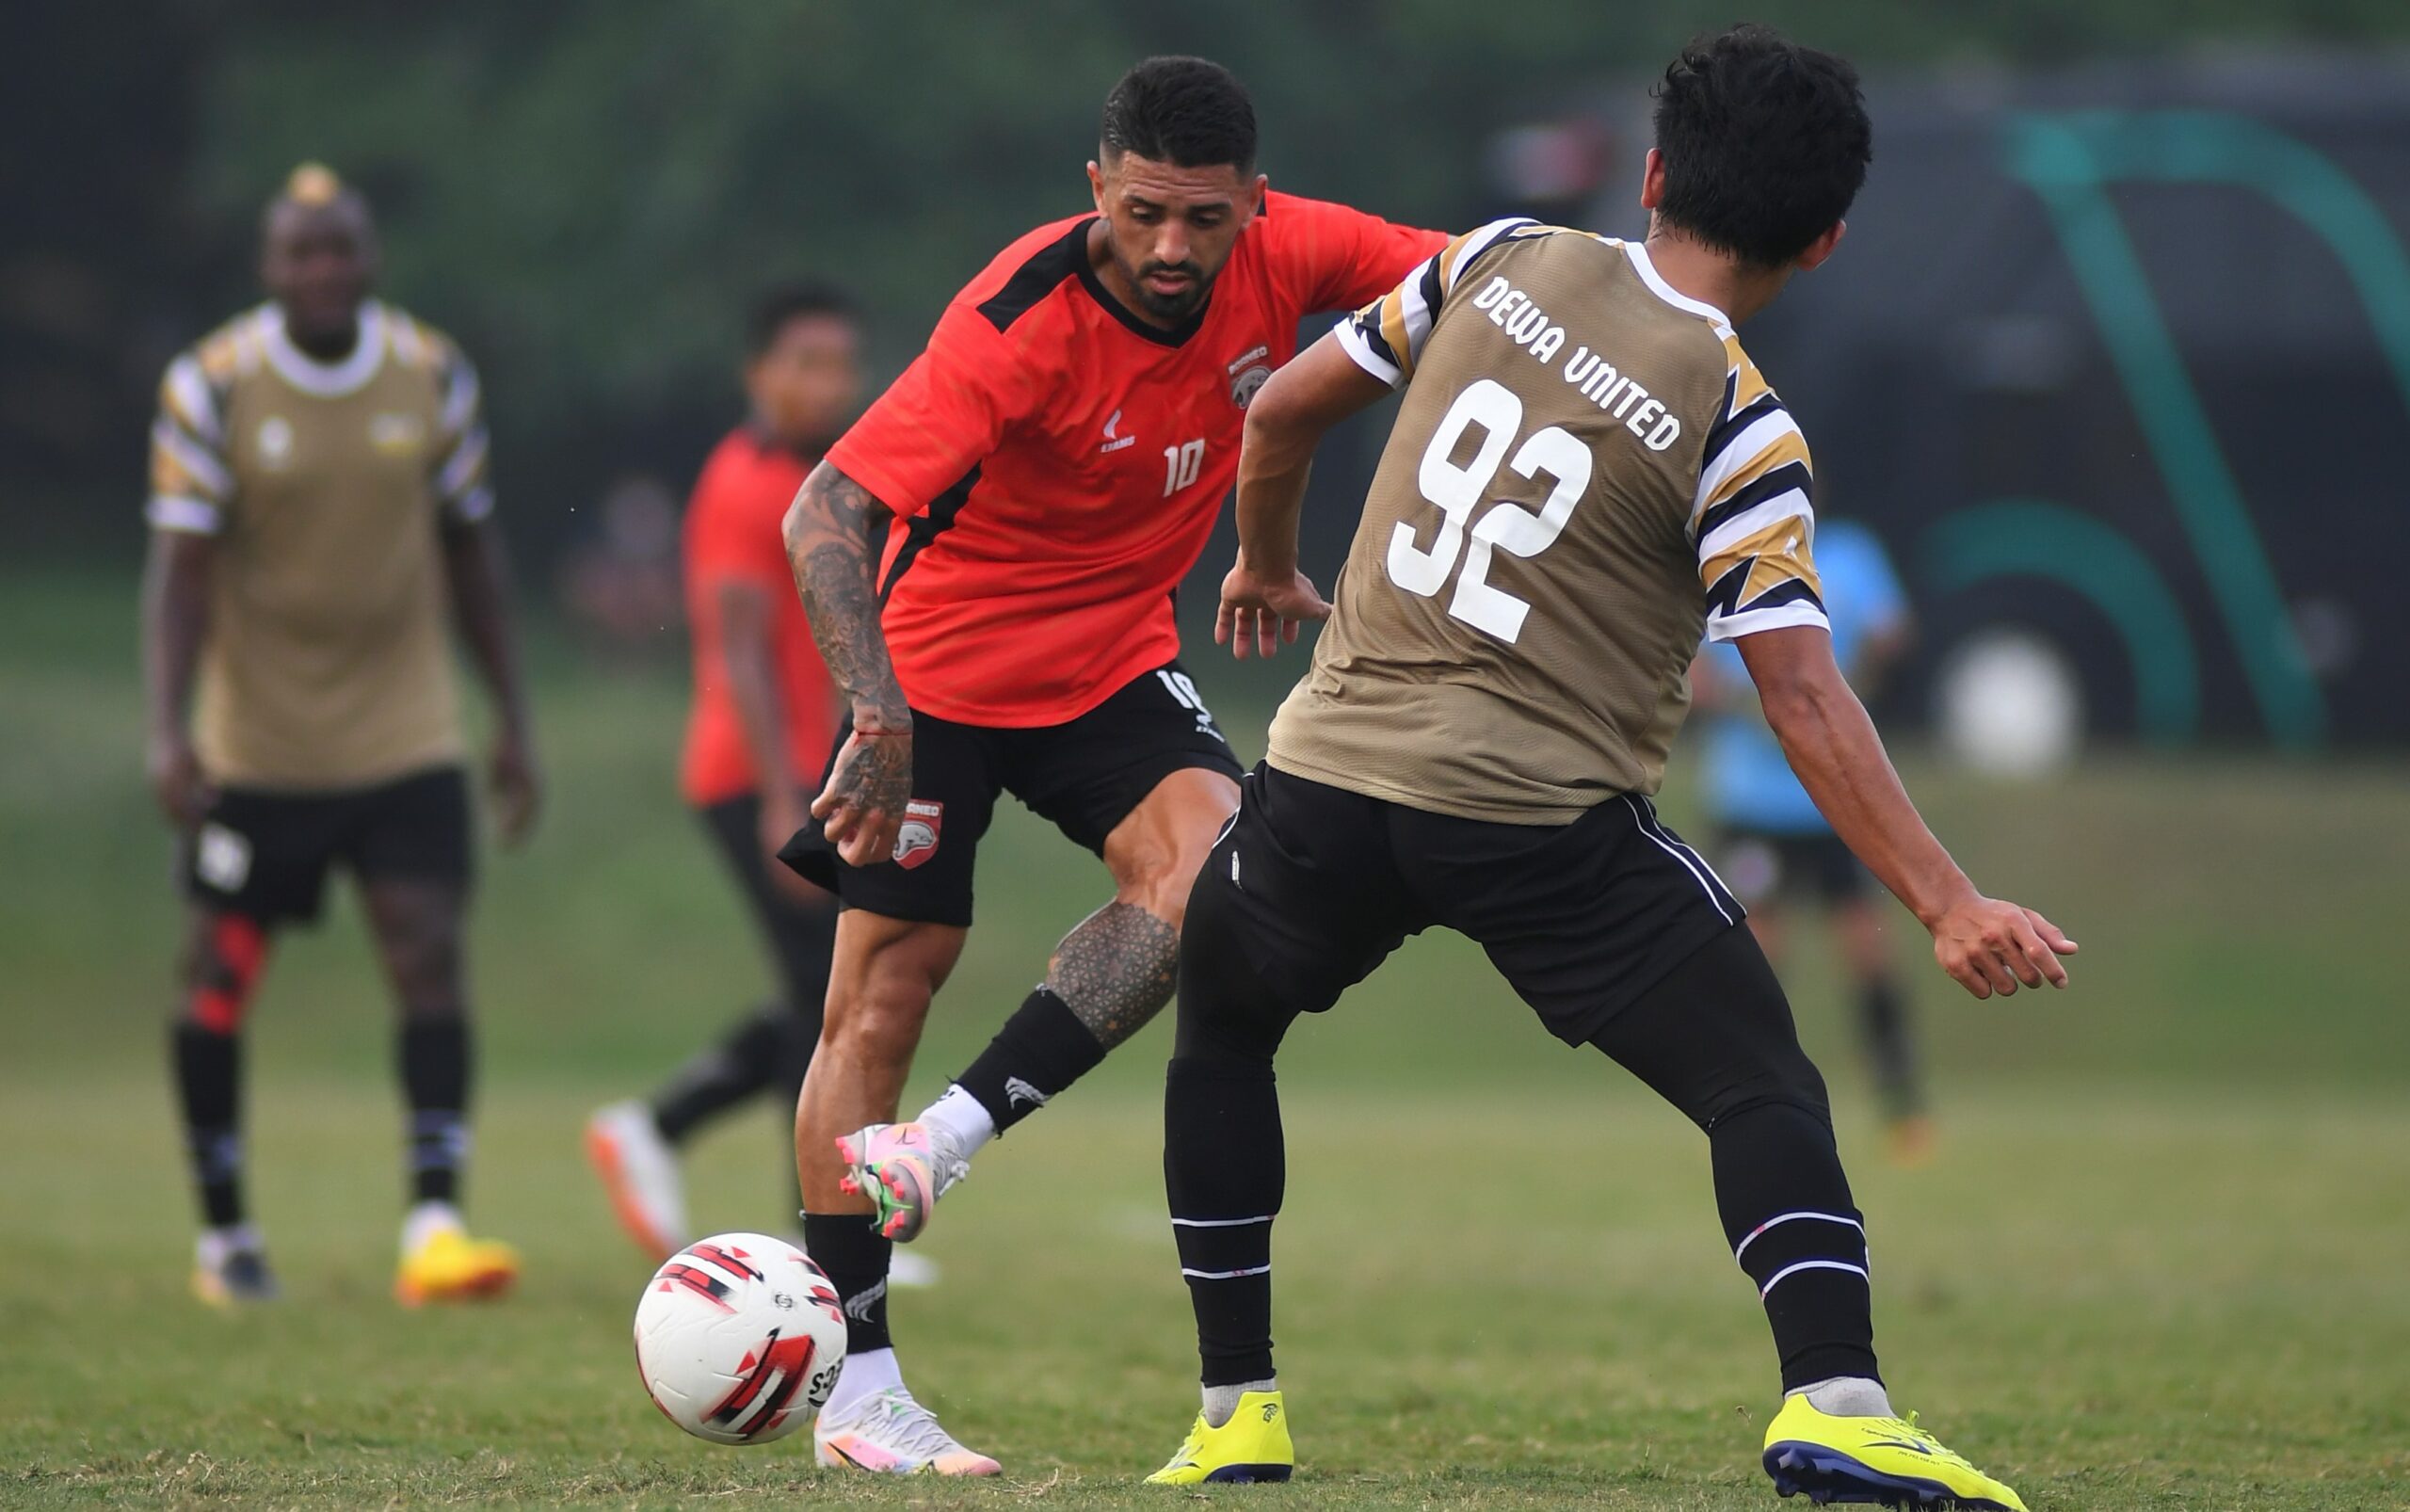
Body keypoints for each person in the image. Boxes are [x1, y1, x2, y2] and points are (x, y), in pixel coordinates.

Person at [1145, 28, 2071, 1508]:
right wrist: (1948, 900)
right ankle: (1838, 1400)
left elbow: (1278, 408)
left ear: (1648, 175)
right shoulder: (1745, 426)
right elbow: (1804, 699)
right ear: (1823, 242)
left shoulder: (1500, 256)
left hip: (1326, 779)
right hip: (1533, 823)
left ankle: (1233, 1411)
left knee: (1226, 1027)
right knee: (1761, 1079)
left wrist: (1262, 562)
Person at [775, 56, 1445, 1475]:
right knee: (878, 999)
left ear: (1254, 206)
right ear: (1098, 186)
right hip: (937, 668)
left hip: (1110, 662)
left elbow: (1486, 288)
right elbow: (823, 506)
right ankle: (860, 1386)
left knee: (1217, 886)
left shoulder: (1299, 253)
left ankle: (946, 1137)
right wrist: (876, 714)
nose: (1171, 249)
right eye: (1144, 212)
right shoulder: (1012, 323)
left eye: (1206, 220)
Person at [144, 164, 538, 1308]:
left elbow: (473, 554)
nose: (323, 270)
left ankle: (435, 1222)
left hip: (404, 728)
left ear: (370, 259)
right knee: (218, 977)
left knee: (425, 954)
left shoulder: (430, 373)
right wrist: (168, 731)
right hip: (254, 743)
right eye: (300, 252)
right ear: (270, 267)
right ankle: (225, 1237)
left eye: (342, 249)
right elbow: (177, 573)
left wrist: (510, 715)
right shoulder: (211, 384)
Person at [585, 282, 927, 1285]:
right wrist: (785, 795)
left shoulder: (829, 475)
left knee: (826, 991)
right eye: (806, 362)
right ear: (757, 374)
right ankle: (820, 1233)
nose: (829, 382)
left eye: (841, 363)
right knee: (833, 995)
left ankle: (655, 1126)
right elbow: (735, 653)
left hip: (805, 773)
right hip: (753, 777)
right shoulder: (741, 484)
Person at [1694, 517, 1934, 1163]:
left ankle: (1901, 1103)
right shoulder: (1725, 553)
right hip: (1752, 800)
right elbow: (1694, 671)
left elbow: (1893, 634)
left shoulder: (1851, 554)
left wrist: (1849, 677)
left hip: (1833, 800)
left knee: (1867, 951)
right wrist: (1740, 697)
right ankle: (1744, 1105)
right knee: (1760, 957)